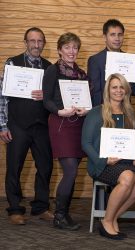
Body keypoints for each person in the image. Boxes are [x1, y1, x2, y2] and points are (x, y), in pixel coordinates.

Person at [82, 73, 135, 240]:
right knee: (127, 177)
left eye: (121, 87)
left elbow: (132, 141)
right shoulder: (97, 112)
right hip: (102, 163)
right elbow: (86, 143)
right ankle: (107, 221)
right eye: (114, 87)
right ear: (108, 90)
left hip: (124, 162)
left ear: (126, 90)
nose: (118, 90)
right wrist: (104, 160)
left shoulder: (129, 113)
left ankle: (110, 218)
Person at [0, 27, 54, 225]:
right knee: (14, 168)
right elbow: (3, 96)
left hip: (41, 126)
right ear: (25, 42)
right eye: (32, 41)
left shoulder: (50, 67)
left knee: (45, 167)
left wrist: (46, 95)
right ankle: (15, 209)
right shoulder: (12, 63)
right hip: (17, 125)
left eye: (40, 41)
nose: (36, 45)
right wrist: (2, 125)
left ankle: (40, 207)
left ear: (44, 44)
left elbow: (54, 98)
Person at [43, 32, 90, 230]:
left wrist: (85, 110)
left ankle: (65, 213)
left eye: (75, 48)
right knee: (70, 170)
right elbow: (47, 100)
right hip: (60, 124)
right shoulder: (52, 71)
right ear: (60, 50)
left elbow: (88, 100)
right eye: (67, 47)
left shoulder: (82, 74)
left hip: (78, 125)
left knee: (73, 171)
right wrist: (60, 111)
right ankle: (59, 216)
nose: (72, 51)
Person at [87, 19, 135, 107]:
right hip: (103, 112)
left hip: (125, 111)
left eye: (120, 35)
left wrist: (127, 80)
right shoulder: (95, 60)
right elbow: (95, 93)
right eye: (112, 35)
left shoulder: (131, 60)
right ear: (105, 37)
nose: (117, 38)